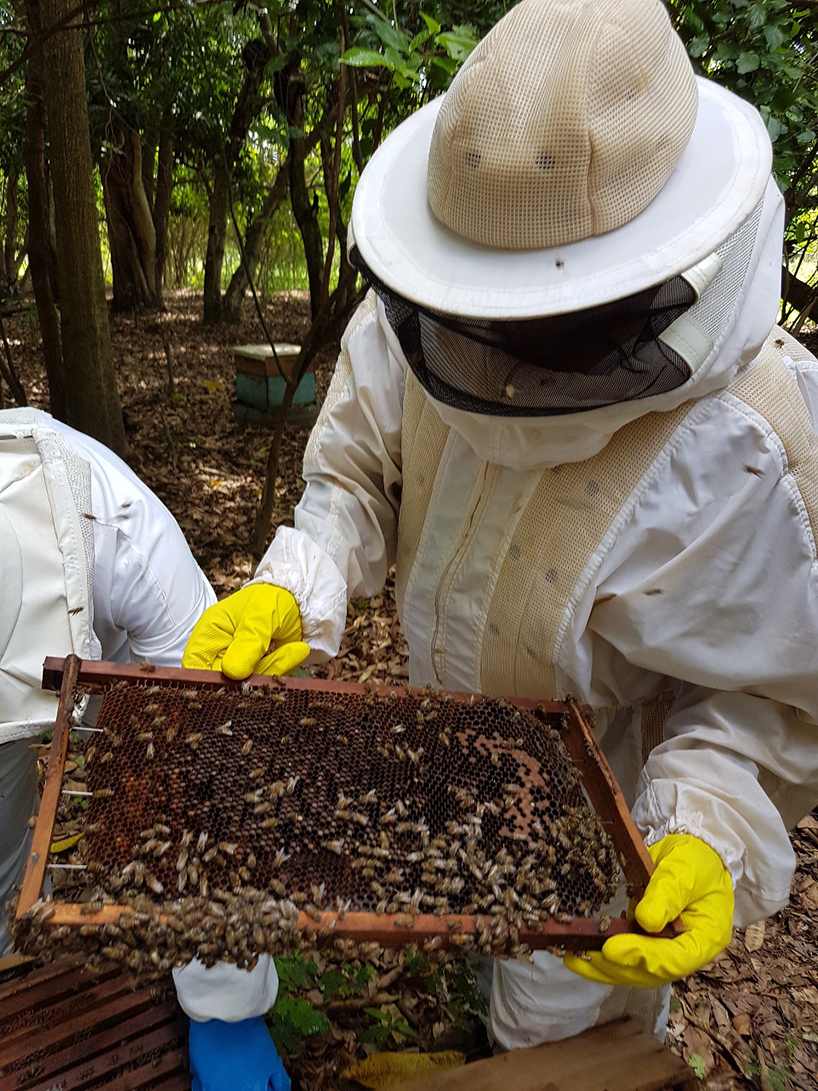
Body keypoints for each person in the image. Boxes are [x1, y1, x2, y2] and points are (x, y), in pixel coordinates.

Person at [184, 0, 818, 1056]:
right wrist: (302, 575)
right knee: (483, 953)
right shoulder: (430, 306)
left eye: (546, 317)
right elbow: (358, 470)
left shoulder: (757, 445)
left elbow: (765, 693)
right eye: (485, 314)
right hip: (454, 762)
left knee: (554, 1031)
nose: (504, 356)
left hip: (604, 808)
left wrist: (705, 822)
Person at [0, 408, 288, 1091]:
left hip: (118, 641)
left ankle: (224, 1014)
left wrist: (228, 1011)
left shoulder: (124, 535)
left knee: (175, 770)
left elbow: (203, 770)